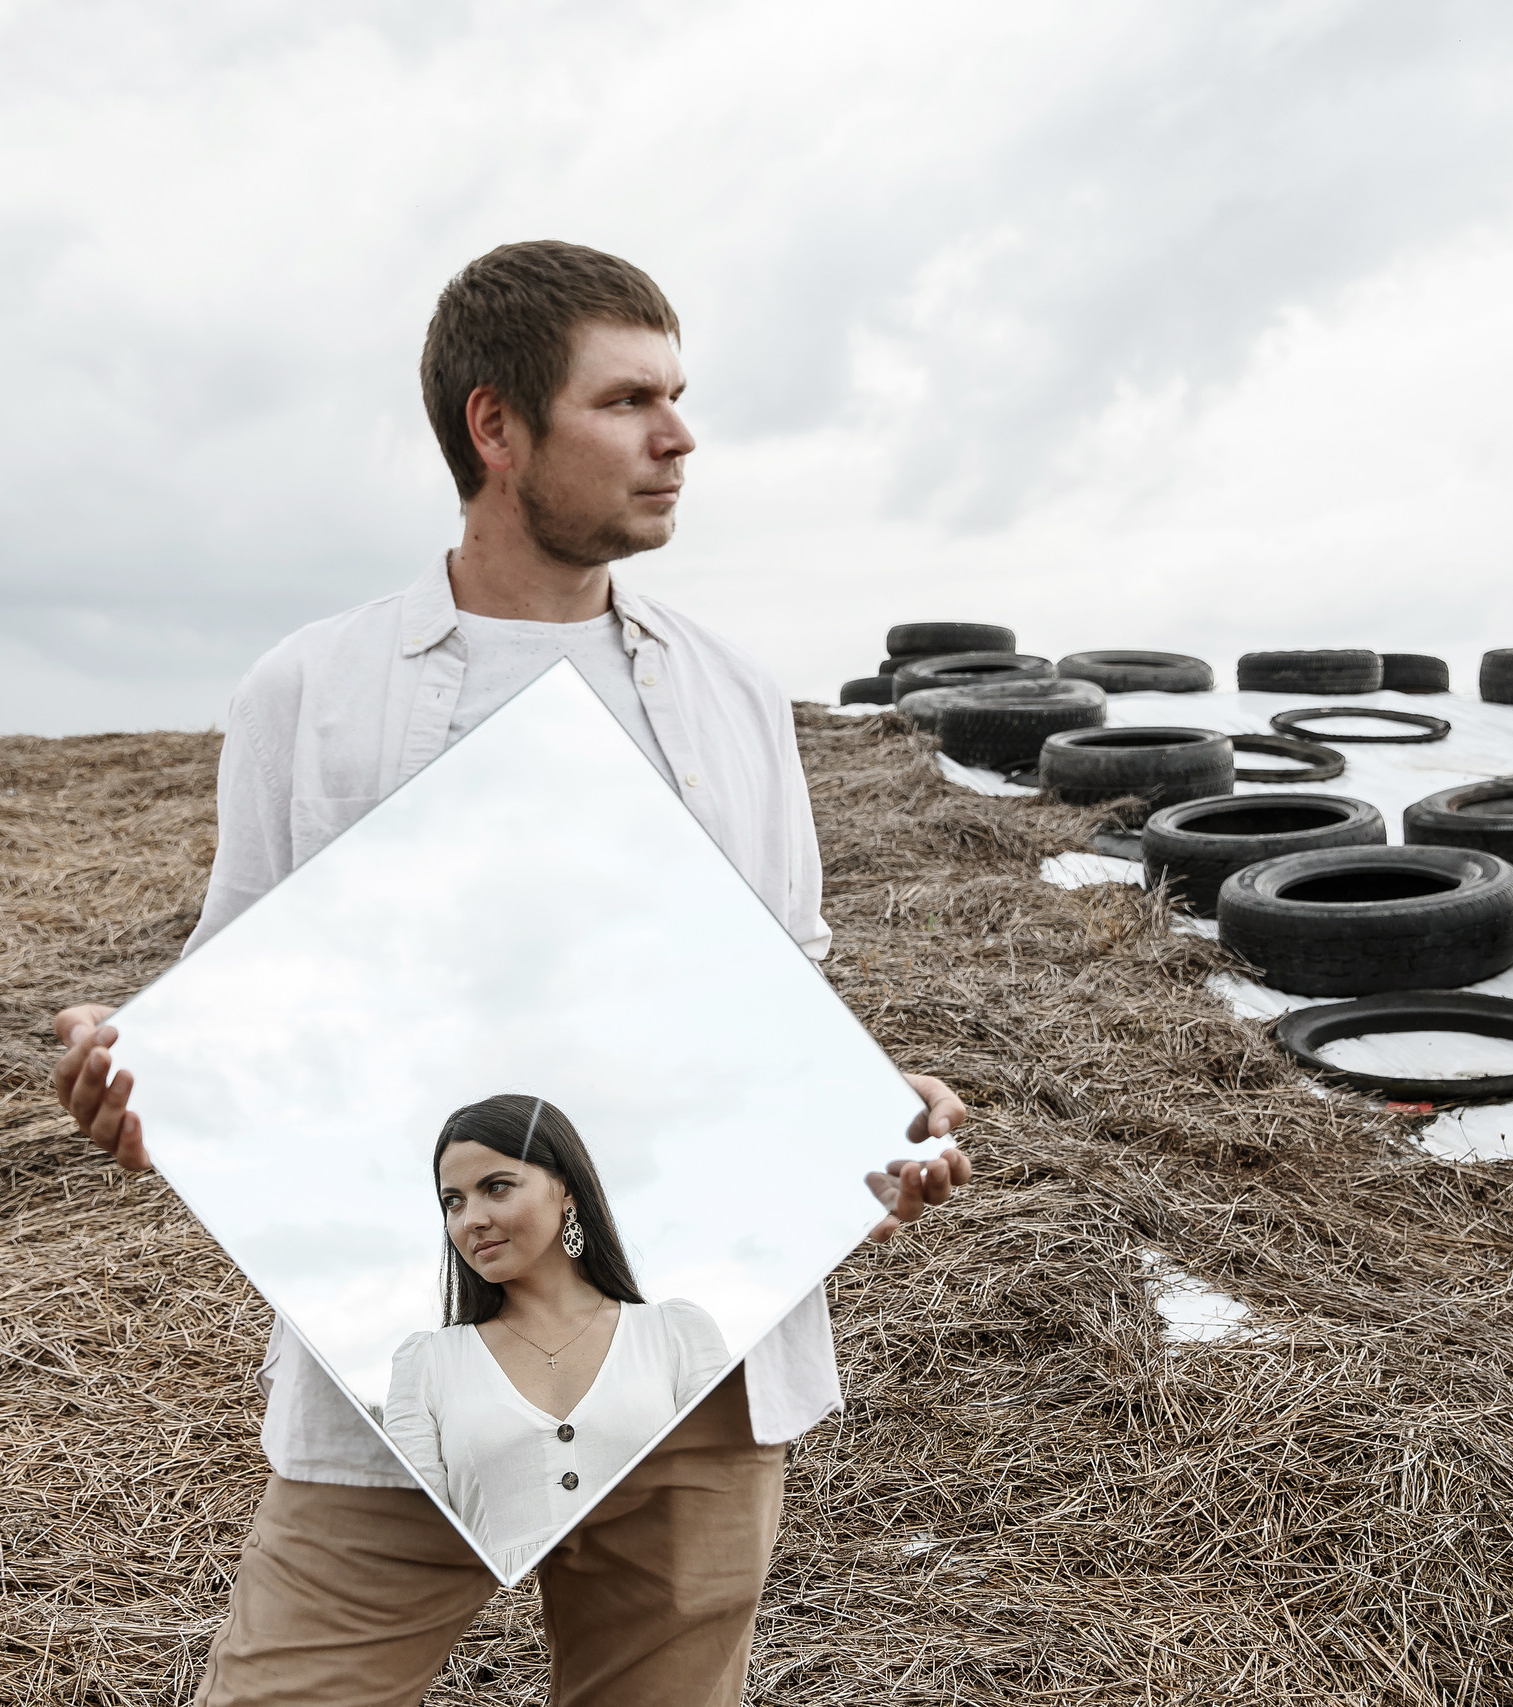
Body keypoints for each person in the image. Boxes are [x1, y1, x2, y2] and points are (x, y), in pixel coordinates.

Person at [51, 239, 973, 1707]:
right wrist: (148, 1071)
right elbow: (237, 990)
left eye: (677, 396)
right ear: (496, 426)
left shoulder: (732, 693)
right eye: (626, 400)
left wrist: (875, 1100)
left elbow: (785, 985)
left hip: (695, 1372)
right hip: (408, 1373)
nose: (678, 437)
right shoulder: (316, 687)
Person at [385, 1095, 731, 1582]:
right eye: (453, 1201)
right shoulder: (427, 1364)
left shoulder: (677, 1335)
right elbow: (413, 1549)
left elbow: (726, 1511)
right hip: (491, 1629)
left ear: (566, 1188)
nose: (470, 1219)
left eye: (497, 1187)